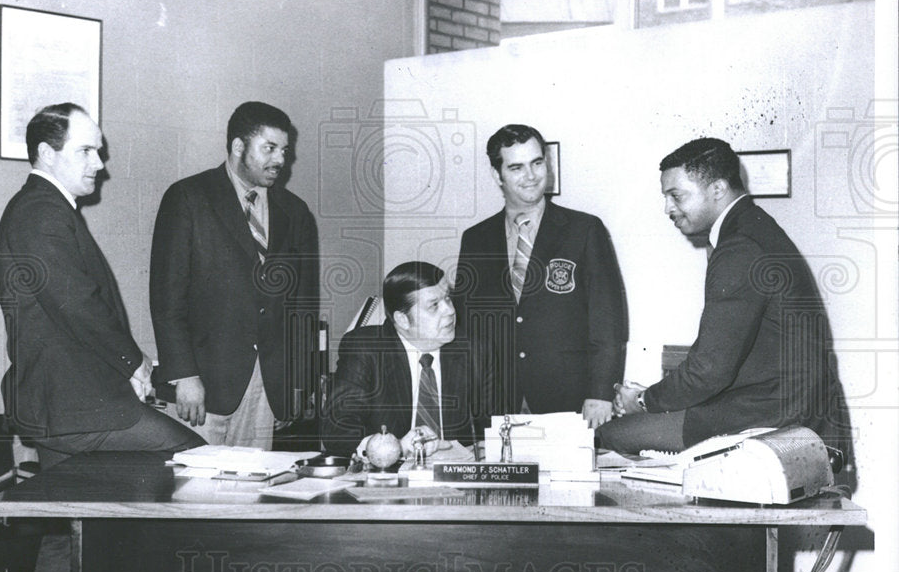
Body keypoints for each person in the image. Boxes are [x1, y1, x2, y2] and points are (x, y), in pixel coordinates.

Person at [0, 103, 203, 572]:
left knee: (71, 530)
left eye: (100, 148)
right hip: (74, 406)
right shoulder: (40, 212)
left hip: (65, 402)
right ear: (45, 153)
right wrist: (137, 365)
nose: (100, 162)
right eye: (86, 149)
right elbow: (78, 305)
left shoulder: (44, 209)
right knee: (194, 459)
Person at [603, 137, 850, 456]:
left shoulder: (740, 247)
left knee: (607, 436)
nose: (668, 209)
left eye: (676, 196)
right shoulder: (754, 228)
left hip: (772, 420)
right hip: (790, 409)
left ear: (717, 190)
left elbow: (708, 371)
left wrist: (642, 401)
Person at [150, 101, 319, 449]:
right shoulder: (188, 198)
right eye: (269, 148)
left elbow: (303, 306)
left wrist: (297, 383)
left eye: (284, 150)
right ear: (238, 147)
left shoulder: (296, 212)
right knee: (196, 495)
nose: (280, 160)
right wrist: (184, 376)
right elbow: (167, 298)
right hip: (202, 383)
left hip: (268, 385)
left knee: (252, 494)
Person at [454, 124, 627, 428]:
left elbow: (608, 320)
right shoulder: (475, 239)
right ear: (498, 175)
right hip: (496, 402)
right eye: (516, 167)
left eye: (537, 163)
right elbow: (468, 326)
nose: (531, 175)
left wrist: (601, 392)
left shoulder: (584, 230)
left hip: (569, 399)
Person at [321, 262, 476, 458]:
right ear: (402, 320)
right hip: (386, 478)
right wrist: (394, 448)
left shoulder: (475, 350)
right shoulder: (366, 348)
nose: (450, 311)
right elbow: (338, 430)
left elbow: (496, 428)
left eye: (448, 299)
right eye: (434, 305)